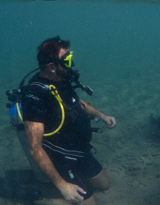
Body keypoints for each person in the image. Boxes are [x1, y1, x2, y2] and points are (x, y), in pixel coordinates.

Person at [21, 36, 117, 205]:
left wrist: (102, 116)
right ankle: (38, 199)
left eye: (70, 58)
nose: (71, 64)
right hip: (59, 157)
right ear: (51, 67)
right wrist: (63, 185)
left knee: (104, 184)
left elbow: (78, 104)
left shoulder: (62, 81)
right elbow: (34, 147)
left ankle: (73, 178)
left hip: (77, 150)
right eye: (66, 60)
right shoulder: (35, 97)